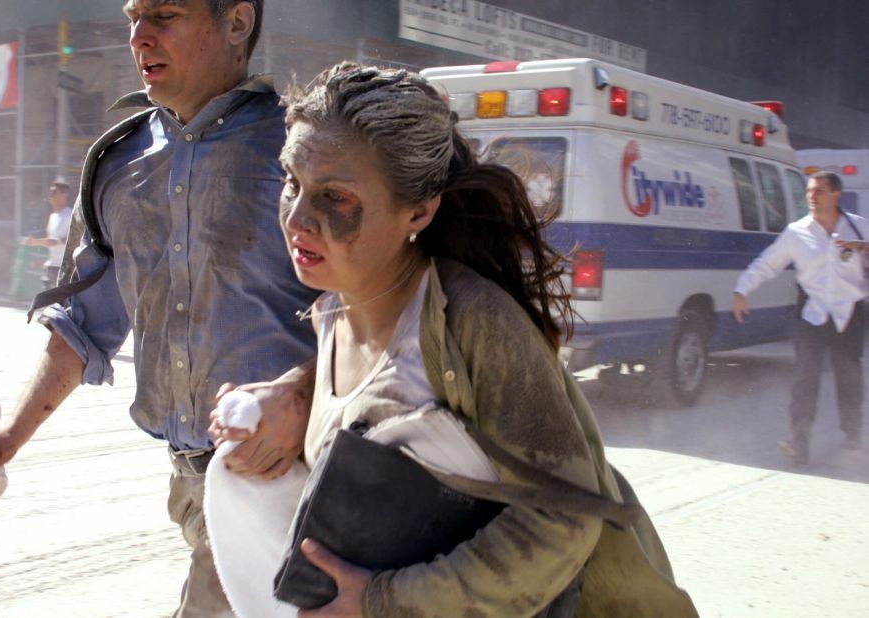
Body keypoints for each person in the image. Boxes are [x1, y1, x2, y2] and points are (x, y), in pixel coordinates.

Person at [234, 61, 697, 617]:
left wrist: (386, 603)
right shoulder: (333, 308)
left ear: (421, 209)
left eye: (335, 198)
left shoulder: (475, 322)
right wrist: (286, 399)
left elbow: (564, 519)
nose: (298, 217)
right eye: (292, 183)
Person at [0, 1, 318, 615]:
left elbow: (381, 304)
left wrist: (298, 394)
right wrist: (3, 444)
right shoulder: (117, 163)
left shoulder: (303, 151)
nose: (140, 36)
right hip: (194, 482)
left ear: (237, 22)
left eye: (164, 14)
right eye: (133, 17)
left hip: (298, 477)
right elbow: (80, 325)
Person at [734, 171, 867, 465]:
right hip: (812, 312)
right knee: (804, 377)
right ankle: (799, 441)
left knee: (849, 376)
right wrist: (742, 289)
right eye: (809, 191)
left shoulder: (858, 227)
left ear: (836, 195)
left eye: (819, 190)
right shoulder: (797, 232)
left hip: (849, 311)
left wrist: (862, 247)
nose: (812, 196)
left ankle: (853, 432)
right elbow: (767, 263)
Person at [21, 179, 73, 290]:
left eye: (54, 192)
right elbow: (51, 241)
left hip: (65, 268)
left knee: (61, 303)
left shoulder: (70, 215)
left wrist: (37, 242)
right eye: (50, 192)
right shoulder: (53, 217)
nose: (50, 195)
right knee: (50, 303)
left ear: (64, 195)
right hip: (52, 267)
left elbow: (72, 239)